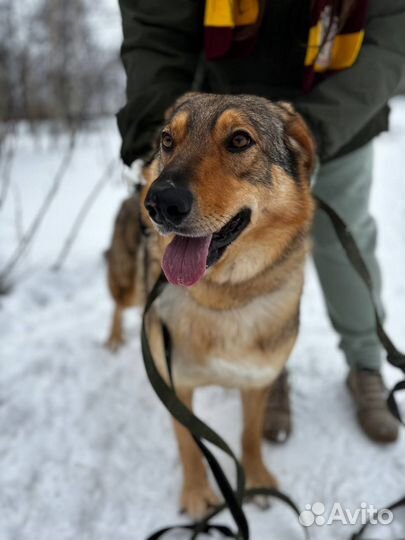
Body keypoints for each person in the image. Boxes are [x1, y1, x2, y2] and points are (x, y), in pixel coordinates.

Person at [116, 0, 405, 443]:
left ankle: (365, 363)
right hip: (218, 102)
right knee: (224, 250)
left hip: (344, 109)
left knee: (345, 244)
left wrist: (313, 131)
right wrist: (150, 132)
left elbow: (395, 27)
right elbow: (155, 26)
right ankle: (268, 372)